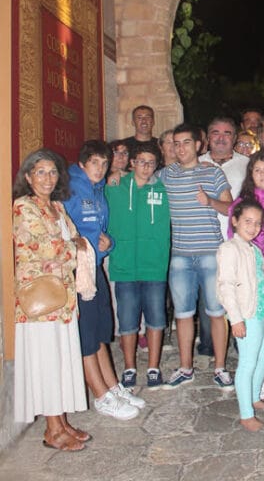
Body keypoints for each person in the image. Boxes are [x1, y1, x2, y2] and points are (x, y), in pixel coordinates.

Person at [13, 149, 90, 450]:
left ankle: (61, 422)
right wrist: (73, 246)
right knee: (46, 363)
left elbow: (71, 241)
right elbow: (43, 248)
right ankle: (51, 431)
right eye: (40, 172)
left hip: (64, 298)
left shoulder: (57, 207)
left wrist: (72, 245)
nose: (47, 178)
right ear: (29, 177)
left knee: (60, 361)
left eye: (53, 172)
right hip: (41, 302)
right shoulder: (23, 207)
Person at [64, 140, 142, 420]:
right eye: (94, 163)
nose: (99, 168)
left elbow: (99, 232)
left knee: (99, 331)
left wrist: (107, 244)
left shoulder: (98, 190)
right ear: (82, 164)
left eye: (103, 163)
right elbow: (66, 231)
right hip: (75, 271)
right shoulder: (70, 187)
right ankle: (101, 395)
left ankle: (112, 386)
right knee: (86, 335)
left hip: (93, 267)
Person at [158, 123, 234, 389]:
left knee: (216, 312)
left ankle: (220, 368)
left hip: (210, 254)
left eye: (186, 143)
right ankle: (185, 367)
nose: (181, 148)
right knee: (183, 314)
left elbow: (231, 210)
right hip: (179, 256)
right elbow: (143, 184)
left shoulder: (213, 173)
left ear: (198, 145)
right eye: (176, 144)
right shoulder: (166, 176)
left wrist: (210, 201)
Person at [106, 143, 171, 388]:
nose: (146, 166)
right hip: (124, 267)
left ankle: (153, 368)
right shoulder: (115, 187)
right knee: (127, 321)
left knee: (156, 319)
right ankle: (130, 367)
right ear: (131, 163)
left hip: (154, 266)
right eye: (141, 161)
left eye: (151, 162)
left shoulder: (164, 190)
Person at [227, 150, 264, 400]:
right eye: (257, 170)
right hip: (253, 277)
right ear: (251, 174)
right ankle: (254, 383)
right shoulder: (241, 204)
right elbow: (234, 244)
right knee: (254, 333)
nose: (262, 174)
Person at [217, 200, 264, 431]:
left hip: (263, 311)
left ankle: (253, 395)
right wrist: (236, 318)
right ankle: (246, 413)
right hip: (247, 314)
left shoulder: (255, 249)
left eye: (257, 223)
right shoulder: (230, 249)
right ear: (235, 221)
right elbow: (225, 286)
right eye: (247, 221)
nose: (253, 227)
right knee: (248, 362)